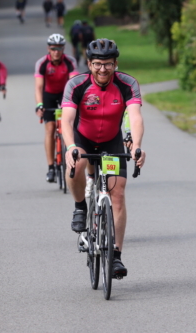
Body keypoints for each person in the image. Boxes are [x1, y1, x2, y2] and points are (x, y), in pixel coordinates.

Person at [61, 39, 146, 278]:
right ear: (89, 63)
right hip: (83, 139)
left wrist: (136, 146)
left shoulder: (127, 84)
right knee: (76, 164)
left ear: (115, 64)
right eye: (97, 64)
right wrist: (70, 146)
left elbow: (135, 117)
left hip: (111, 141)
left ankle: (116, 255)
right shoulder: (76, 84)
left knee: (117, 194)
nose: (102, 69)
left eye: (108, 64)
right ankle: (80, 207)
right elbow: (66, 120)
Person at [34, 34, 79, 182]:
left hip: (64, 95)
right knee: (50, 128)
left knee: (68, 126)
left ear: (63, 49)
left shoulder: (70, 61)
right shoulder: (42, 63)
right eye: (53, 48)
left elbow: (74, 83)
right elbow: (39, 86)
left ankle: (69, 160)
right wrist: (40, 104)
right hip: (48, 96)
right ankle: (51, 167)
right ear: (48, 48)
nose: (56, 52)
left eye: (59, 48)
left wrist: (75, 102)